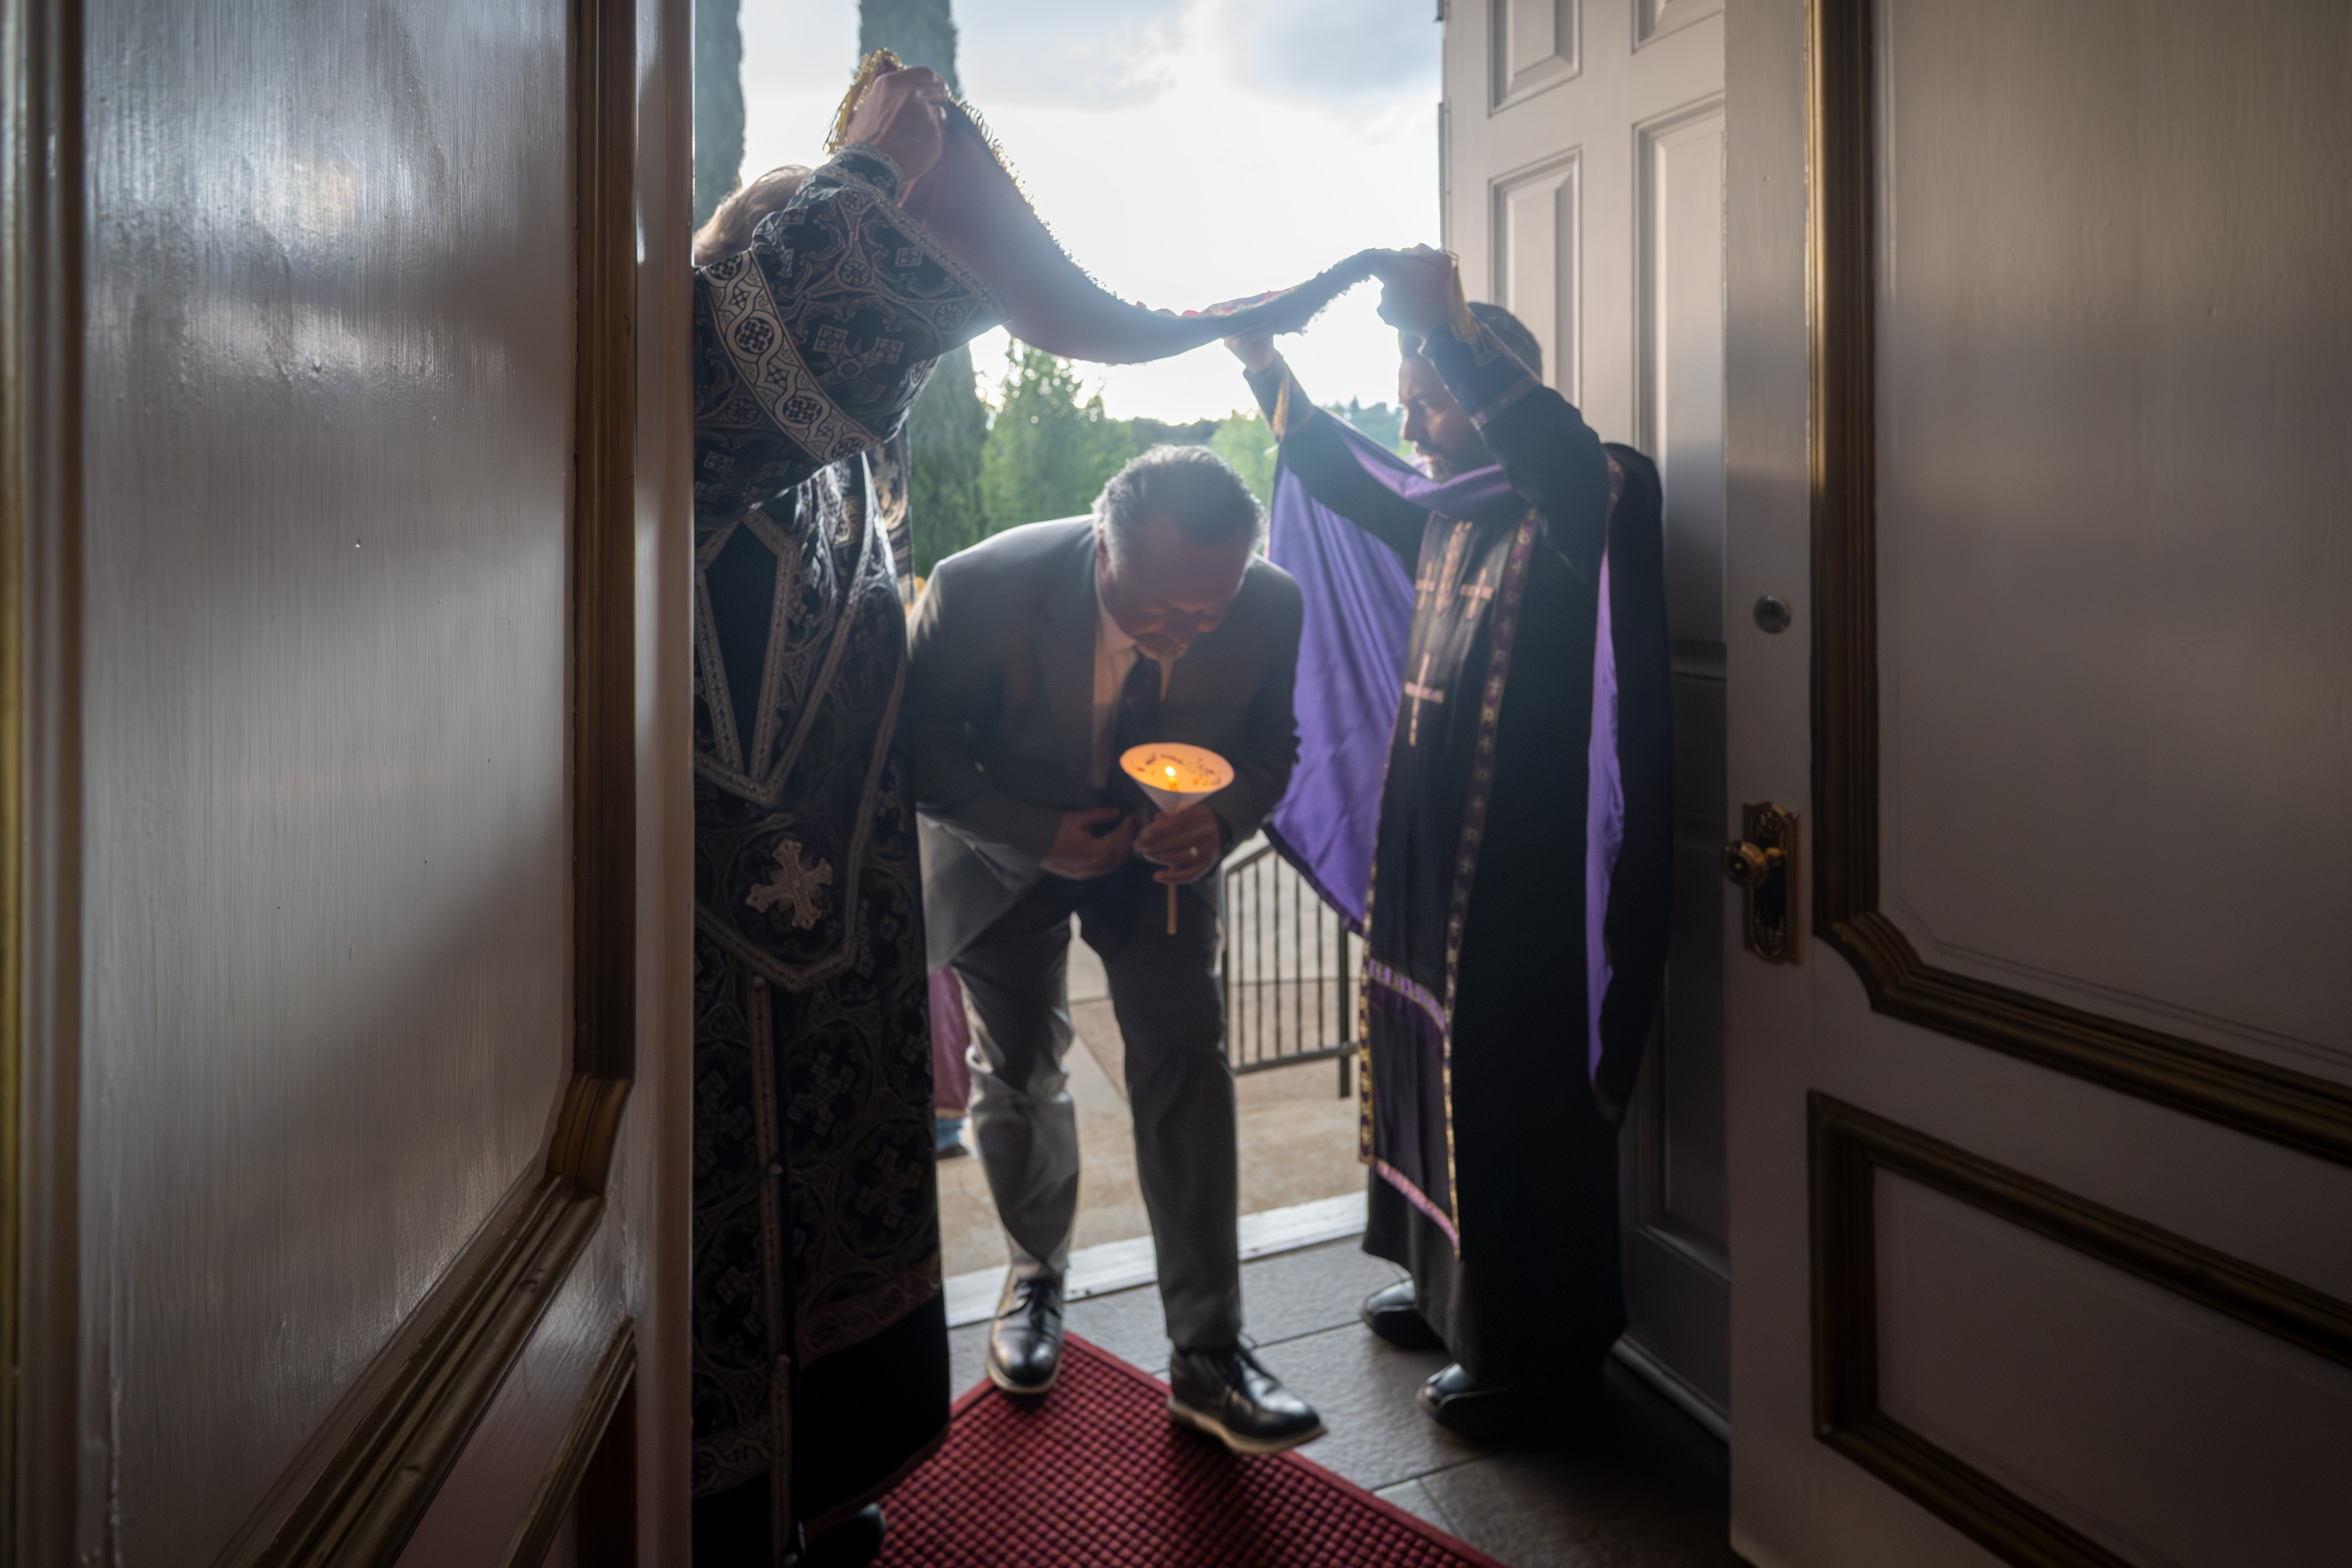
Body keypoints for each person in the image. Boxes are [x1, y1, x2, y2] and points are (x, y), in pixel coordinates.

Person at [1225, 250, 1673, 1441]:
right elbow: (1336, 472)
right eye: (1409, 398)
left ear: (1489, 384)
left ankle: (1535, 1354)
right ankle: (1447, 1294)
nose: (1412, 423)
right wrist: (1263, 363)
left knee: (1516, 1101)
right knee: (1429, 1073)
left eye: (1427, 396)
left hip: (1532, 885)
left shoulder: (1597, 493)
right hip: (1436, 866)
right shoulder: (1453, 518)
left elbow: (1564, 467)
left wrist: (1449, 331)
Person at [687, 65, 998, 1568]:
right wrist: (869, 173)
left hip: (841, 945)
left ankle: (831, 1469)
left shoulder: (854, 472)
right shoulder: (681, 427)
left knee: (838, 1216)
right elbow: (814, 340)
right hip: (690, 944)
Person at [901, 445, 1324, 1454]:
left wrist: (1220, 822)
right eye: (1165, 610)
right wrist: (1038, 835)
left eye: (1211, 612)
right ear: (1104, 547)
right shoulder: (979, 590)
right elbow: (916, 754)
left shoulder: (1269, 604)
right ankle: (1035, 1278)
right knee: (1021, 1061)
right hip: (1006, 853)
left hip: (1160, 865)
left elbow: (1272, 751)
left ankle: (1209, 1354)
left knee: (1187, 1059)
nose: (1189, 632)